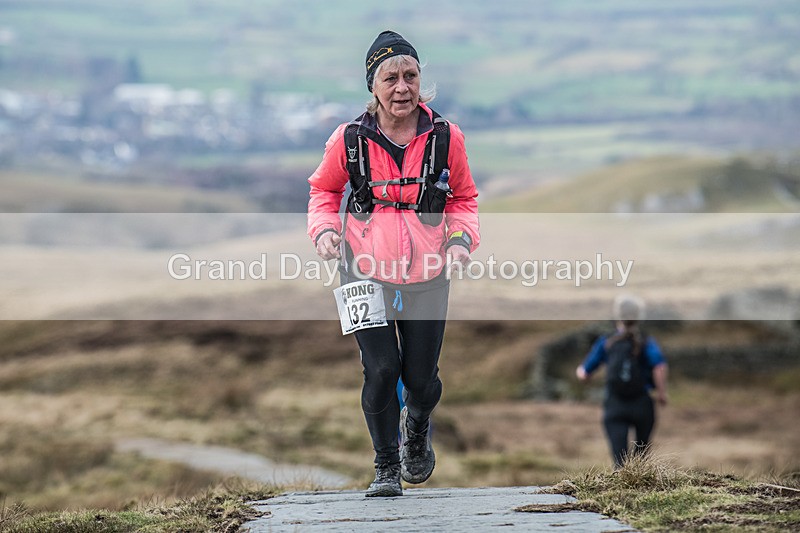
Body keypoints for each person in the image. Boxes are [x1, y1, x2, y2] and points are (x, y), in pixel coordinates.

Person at [307, 30, 480, 497]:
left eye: (411, 75)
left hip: (428, 273)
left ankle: (418, 426)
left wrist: (461, 240)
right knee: (380, 370)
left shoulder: (447, 137)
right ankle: (385, 466)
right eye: (391, 78)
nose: (402, 87)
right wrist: (323, 231)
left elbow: (464, 197)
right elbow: (323, 191)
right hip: (360, 271)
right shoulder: (348, 139)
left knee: (421, 380)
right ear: (373, 85)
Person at [575, 295, 668, 468]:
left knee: (620, 462)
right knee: (640, 458)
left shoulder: (607, 341)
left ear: (618, 315)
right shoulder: (646, 342)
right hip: (642, 404)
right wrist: (662, 394)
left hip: (615, 404)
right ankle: (640, 490)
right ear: (638, 316)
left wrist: (581, 374)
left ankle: (620, 489)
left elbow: (584, 372)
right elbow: (659, 367)